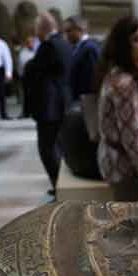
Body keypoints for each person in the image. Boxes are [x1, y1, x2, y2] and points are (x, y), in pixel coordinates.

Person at [96, 16, 138, 202]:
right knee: (137, 225)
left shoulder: (119, 74)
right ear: (123, 45)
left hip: (118, 162)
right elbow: (132, 138)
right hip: (127, 168)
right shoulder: (124, 84)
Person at [27, 12, 73, 195]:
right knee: (58, 146)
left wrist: (30, 65)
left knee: (46, 148)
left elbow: (34, 69)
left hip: (49, 106)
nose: (35, 33)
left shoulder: (48, 46)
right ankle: (60, 185)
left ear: (42, 28)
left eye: (37, 29)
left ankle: (58, 186)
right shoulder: (64, 43)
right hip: (62, 103)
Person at [63, 15, 101, 101]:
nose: (66, 35)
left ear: (79, 29)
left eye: (69, 31)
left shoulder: (90, 49)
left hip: (86, 101)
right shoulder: (78, 48)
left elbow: (92, 79)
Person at [17, 35, 36, 118]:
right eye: (28, 43)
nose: (30, 44)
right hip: (25, 77)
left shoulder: (36, 52)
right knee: (26, 95)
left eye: (31, 42)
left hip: (35, 78)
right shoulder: (23, 53)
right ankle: (26, 112)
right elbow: (20, 65)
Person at [0, 37, 13, 120]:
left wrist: (8, 72)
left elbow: (7, 58)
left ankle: (4, 113)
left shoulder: (2, 44)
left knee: (1, 93)